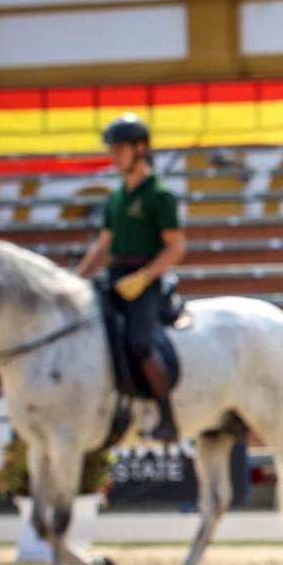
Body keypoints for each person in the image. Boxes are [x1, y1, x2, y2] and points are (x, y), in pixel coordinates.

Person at [76, 113, 187, 441]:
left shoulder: (159, 195)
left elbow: (176, 247)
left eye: (119, 148)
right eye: (111, 149)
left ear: (140, 149)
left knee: (139, 343)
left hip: (145, 281)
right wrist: (76, 279)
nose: (112, 156)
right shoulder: (115, 197)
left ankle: (168, 417)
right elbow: (103, 247)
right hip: (114, 276)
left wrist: (144, 276)